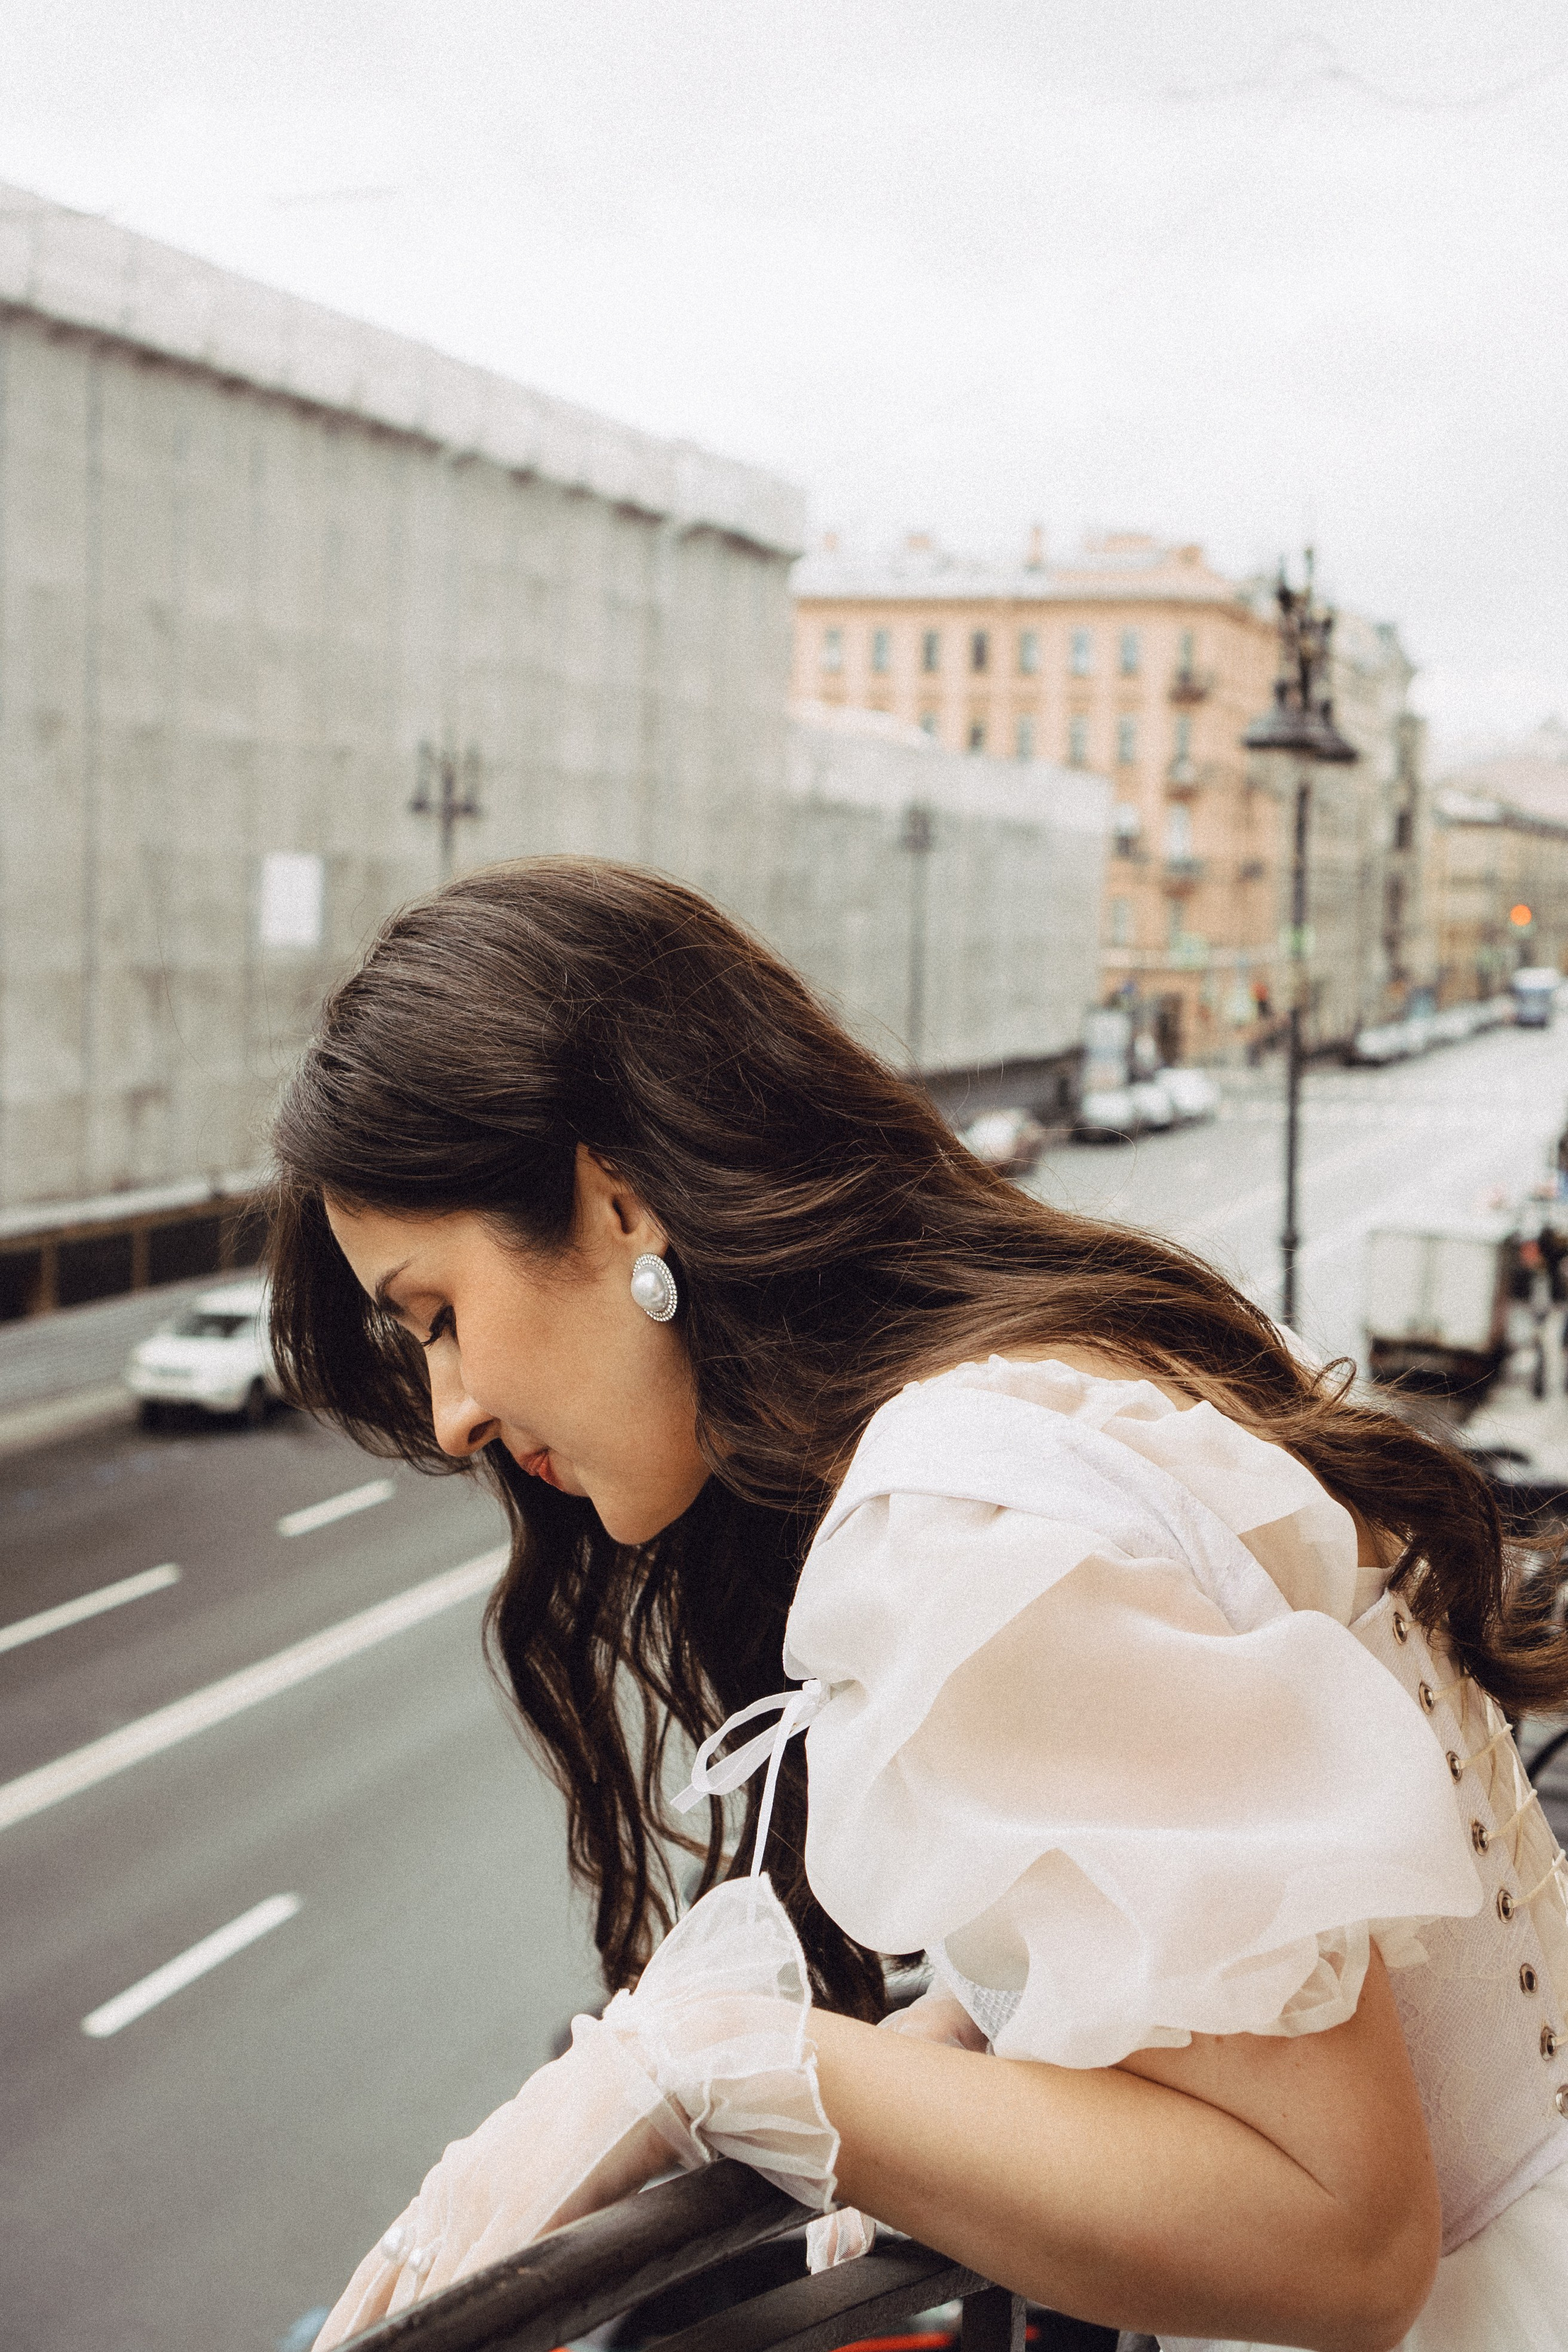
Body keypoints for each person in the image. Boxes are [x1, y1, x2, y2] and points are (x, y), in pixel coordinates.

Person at [269, 860, 1568, 2352]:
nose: (451, 1415)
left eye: (438, 1314)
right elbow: (1271, 1953)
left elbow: (1342, 2243)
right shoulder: (1073, 1366)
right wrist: (967, 2032)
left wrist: (713, 2062)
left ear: (616, 1201)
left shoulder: (959, 1520)